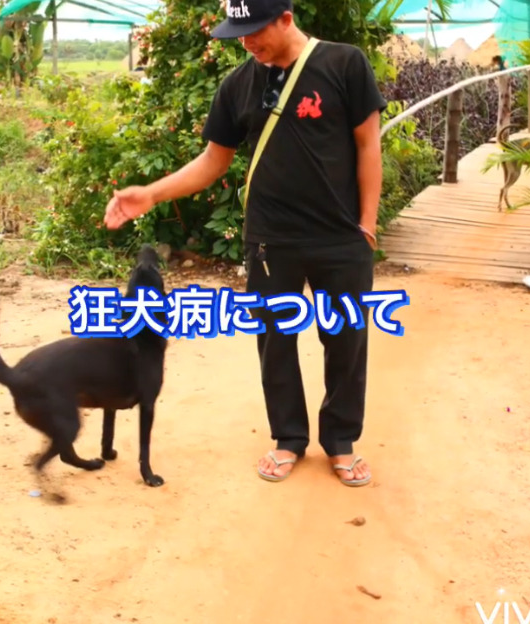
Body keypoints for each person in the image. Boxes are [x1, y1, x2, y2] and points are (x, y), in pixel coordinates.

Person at [103, 0, 387, 487]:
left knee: (346, 339)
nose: (247, 41)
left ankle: (341, 441)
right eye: (239, 33)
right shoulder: (238, 84)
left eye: (255, 30)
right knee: (275, 341)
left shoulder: (344, 64)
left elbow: (368, 144)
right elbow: (212, 162)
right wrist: (150, 193)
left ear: (286, 18)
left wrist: (367, 224)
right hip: (271, 239)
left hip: (341, 237)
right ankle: (288, 438)